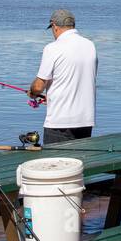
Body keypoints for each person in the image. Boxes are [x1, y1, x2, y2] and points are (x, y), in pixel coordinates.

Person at [29, 8, 97, 145]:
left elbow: (38, 87)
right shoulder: (90, 46)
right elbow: (76, 80)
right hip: (85, 121)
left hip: (59, 124)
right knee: (80, 163)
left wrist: (32, 93)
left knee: (56, 164)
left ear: (54, 26)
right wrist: (53, 96)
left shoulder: (52, 48)